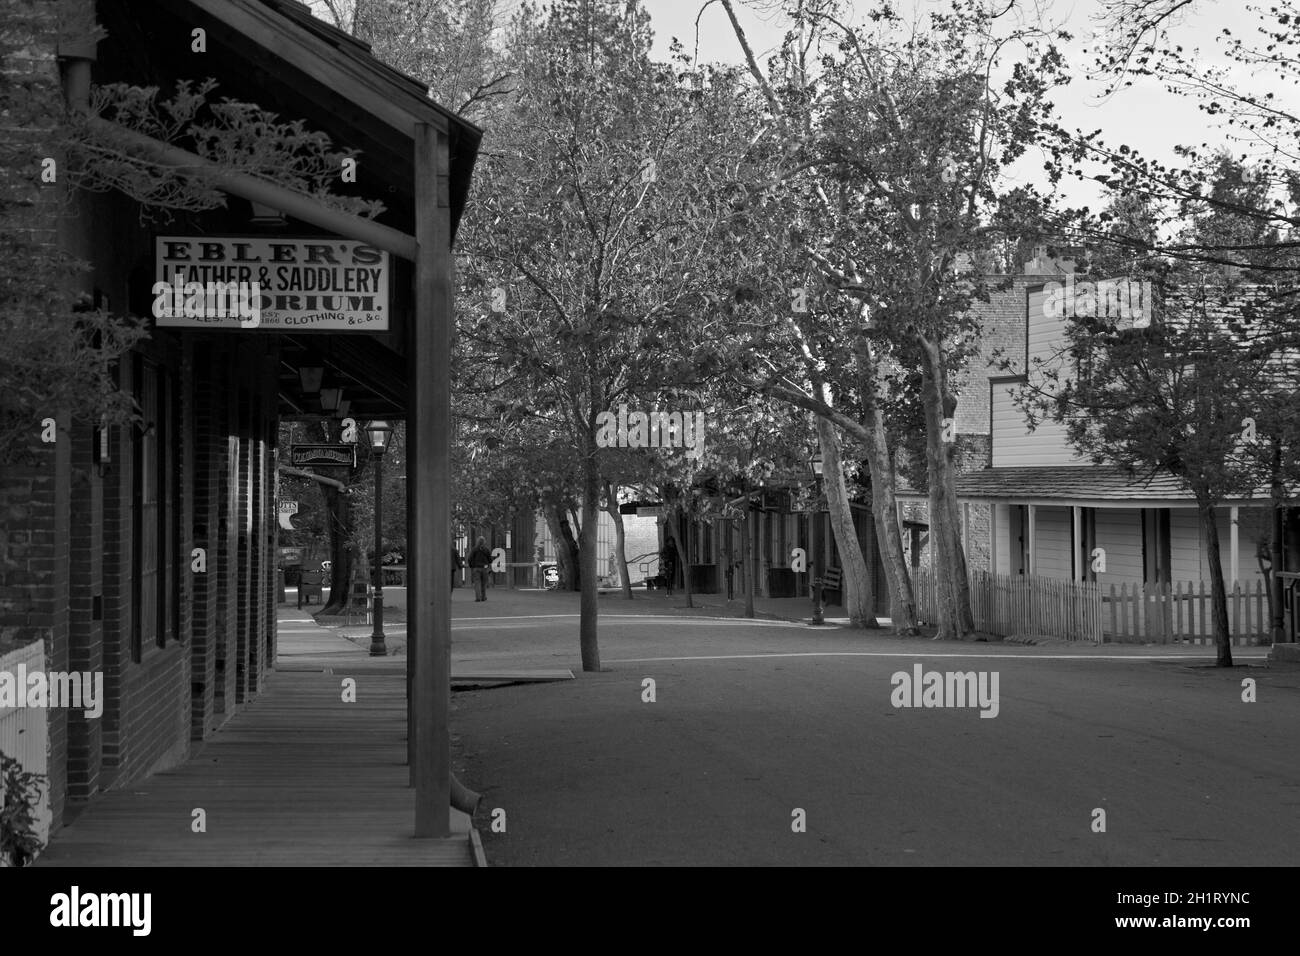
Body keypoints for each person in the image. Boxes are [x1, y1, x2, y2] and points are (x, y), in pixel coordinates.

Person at [467, 536, 493, 602]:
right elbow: (490, 560)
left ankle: (478, 597)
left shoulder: (474, 549)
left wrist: (472, 566)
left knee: (477, 583)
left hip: (476, 568)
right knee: (484, 583)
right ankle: (483, 597)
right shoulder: (486, 550)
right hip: (484, 568)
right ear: (484, 542)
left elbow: (470, 558)